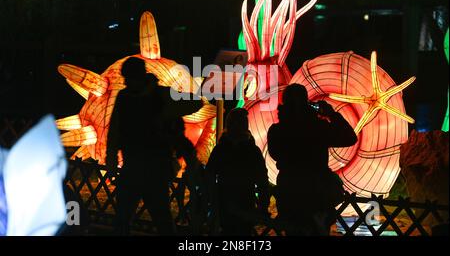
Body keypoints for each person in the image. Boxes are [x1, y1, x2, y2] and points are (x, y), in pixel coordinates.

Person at [106, 57, 201, 235]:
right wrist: (111, 161)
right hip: (133, 164)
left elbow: (196, 102)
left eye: (130, 78)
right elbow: (115, 131)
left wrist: (167, 112)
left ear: (140, 77)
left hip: (155, 167)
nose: (127, 82)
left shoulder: (162, 95)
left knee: (161, 218)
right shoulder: (124, 97)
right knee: (123, 218)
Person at [267, 84, 357, 235]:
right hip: (317, 193)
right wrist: (331, 114)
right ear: (306, 103)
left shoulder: (276, 130)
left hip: (290, 190)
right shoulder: (318, 127)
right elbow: (349, 137)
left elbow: (275, 153)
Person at [206, 108, 270, 236]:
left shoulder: (222, 149)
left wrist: (211, 200)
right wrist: (263, 205)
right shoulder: (251, 150)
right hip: (240, 200)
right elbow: (262, 179)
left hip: (229, 200)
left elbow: (210, 173)